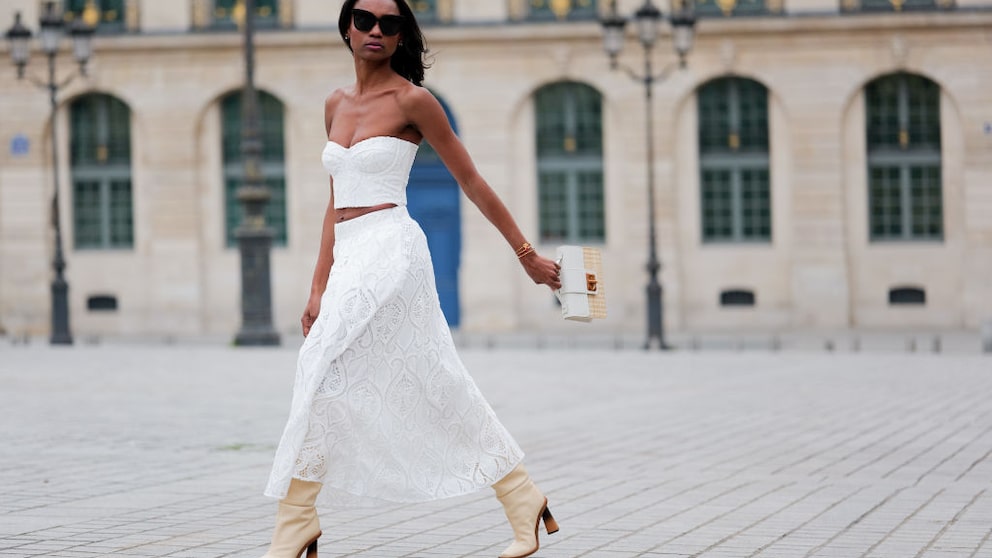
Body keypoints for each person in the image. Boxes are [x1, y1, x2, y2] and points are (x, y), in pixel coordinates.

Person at [259, 1, 562, 557]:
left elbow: (471, 181)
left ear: (402, 38)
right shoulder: (334, 103)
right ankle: (523, 497)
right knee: (433, 378)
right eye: (366, 21)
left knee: (320, 367)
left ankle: (296, 520)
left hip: (391, 247)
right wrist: (317, 285)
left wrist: (526, 256)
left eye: (390, 24)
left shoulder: (412, 101)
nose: (377, 31)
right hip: (350, 254)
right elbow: (335, 201)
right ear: (347, 28)